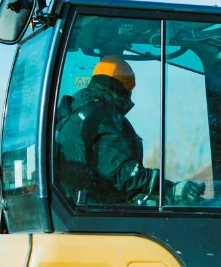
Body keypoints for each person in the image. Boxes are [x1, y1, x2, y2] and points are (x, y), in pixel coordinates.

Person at [55, 56, 205, 206]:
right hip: (101, 213)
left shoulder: (73, 113)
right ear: (122, 89)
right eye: (129, 91)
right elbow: (123, 173)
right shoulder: (102, 116)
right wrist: (171, 189)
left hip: (79, 206)